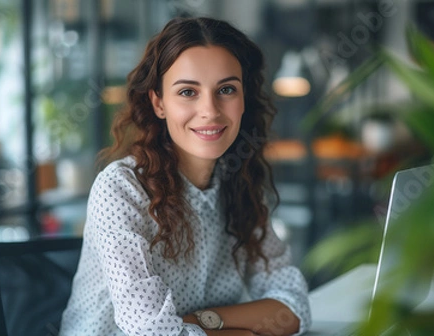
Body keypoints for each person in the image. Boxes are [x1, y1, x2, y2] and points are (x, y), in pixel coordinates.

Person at [60, 16, 311, 336]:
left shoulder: (241, 183)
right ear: (159, 102)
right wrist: (245, 330)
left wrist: (203, 320)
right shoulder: (122, 189)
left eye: (226, 89)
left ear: (243, 98)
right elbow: (153, 331)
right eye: (188, 92)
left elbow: (294, 308)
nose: (210, 110)